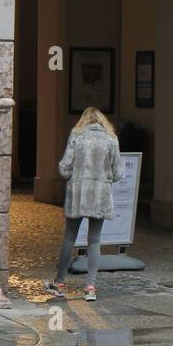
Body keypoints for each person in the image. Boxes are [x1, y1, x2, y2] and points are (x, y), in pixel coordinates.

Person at [45, 107, 123, 302]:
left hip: (78, 193)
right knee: (95, 240)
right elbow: (119, 172)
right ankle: (90, 287)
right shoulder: (111, 138)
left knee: (69, 238)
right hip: (100, 194)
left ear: (83, 120)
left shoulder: (77, 136)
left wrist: (74, 176)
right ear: (103, 121)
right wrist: (105, 179)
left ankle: (60, 282)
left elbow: (64, 167)